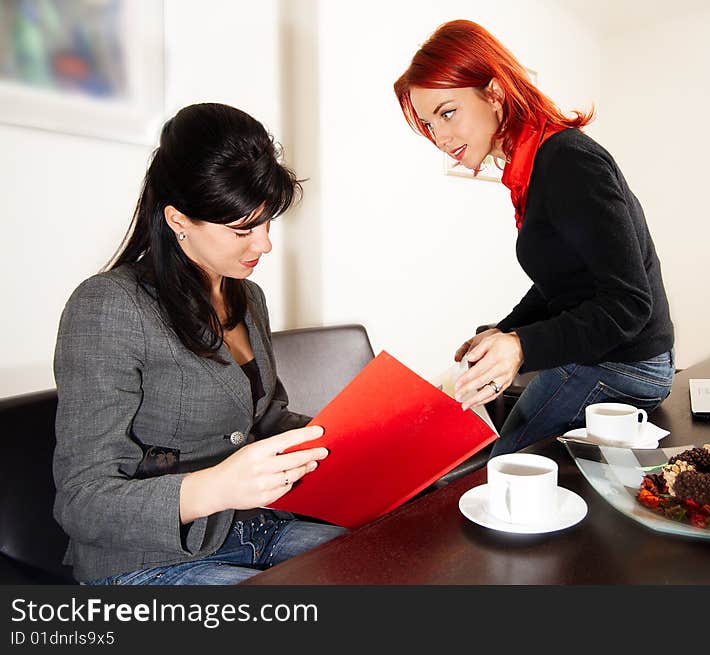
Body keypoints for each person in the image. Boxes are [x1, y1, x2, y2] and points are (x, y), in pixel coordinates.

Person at [52, 102, 345, 585]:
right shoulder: (108, 305)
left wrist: (362, 436)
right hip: (147, 561)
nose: (265, 244)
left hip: (257, 529)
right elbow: (83, 501)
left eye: (268, 222)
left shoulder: (248, 297)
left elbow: (267, 418)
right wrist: (215, 487)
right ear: (177, 219)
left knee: (400, 563)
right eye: (243, 229)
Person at [394, 20, 675, 456]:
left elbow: (629, 303)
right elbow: (562, 285)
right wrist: (503, 332)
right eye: (430, 125)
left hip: (625, 365)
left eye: (448, 112)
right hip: (613, 359)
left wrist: (521, 347)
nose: (441, 137)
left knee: (501, 467)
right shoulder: (537, 166)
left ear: (494, 93)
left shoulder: (569, 162)